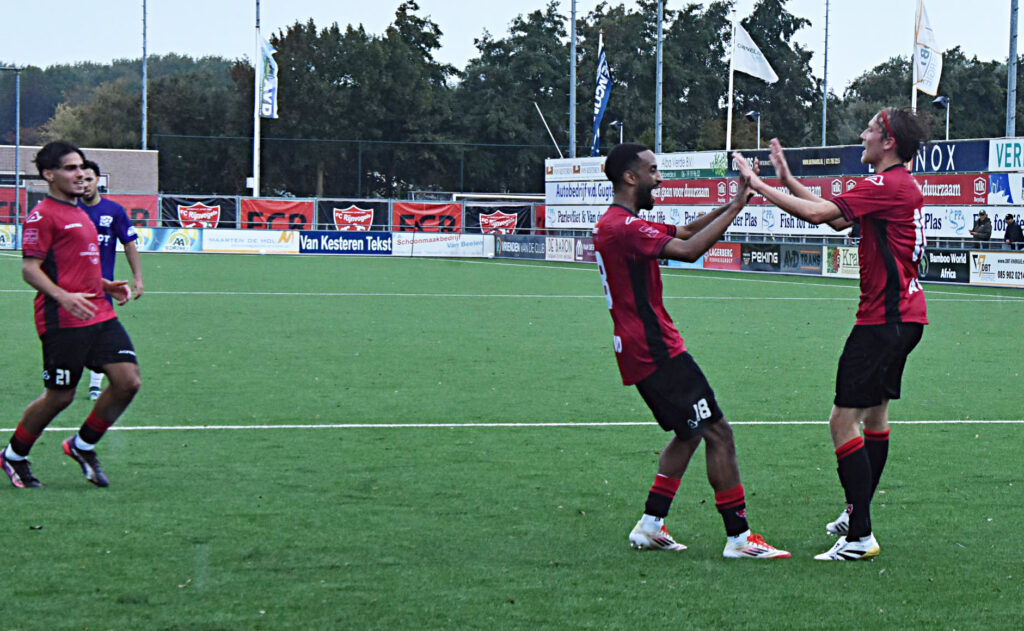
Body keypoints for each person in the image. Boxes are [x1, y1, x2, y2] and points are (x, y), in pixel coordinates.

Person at [734, 107, 930, 561]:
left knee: (842, 421)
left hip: (882, 321)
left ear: (889, 142)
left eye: (870, 129)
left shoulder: (885, 185)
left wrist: (757, 185)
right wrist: (786, 179)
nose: (862, 135)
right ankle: (857, 514)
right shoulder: (894, 185)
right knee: (875, 418)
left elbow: (819, 215)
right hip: (906, 318)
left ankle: (860, 534)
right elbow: (838, 219)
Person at [594, 143, 790, 559]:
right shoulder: (624, 227)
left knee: (690, 432)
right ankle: (739, 538)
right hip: (656, 351)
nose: (659, 178)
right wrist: (736, 212)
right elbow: (689, 250)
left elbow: (682, 233)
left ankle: (650, 525)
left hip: (642, 348)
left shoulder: (621, 222)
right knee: (718, 431)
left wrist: (734, 202)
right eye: (652, 171)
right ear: (630, 177)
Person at [2, 141, 141, 489]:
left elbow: (76, 264)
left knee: (127, 381)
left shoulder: (81, 213)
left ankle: (82, 445)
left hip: (98, 312)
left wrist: (105, 285)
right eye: (70, 168)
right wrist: (63, 296)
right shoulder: (43, 215)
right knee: (60, 395)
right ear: (49, 175)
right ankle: (14, 455)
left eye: (81, 167)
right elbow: (30, 269)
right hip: (62, 318)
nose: (80, 174)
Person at [79, 159, 144, 400]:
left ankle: (95, 384)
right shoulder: (70, 210)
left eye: (89, 179)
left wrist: (137, 278)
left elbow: (129, 243)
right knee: (70, 334)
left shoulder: (113, 211)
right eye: (81, 180)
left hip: (103, 287)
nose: (85, 184)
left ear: (98, 180)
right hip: (71, 286)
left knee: (98, 334)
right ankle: (60, 381)